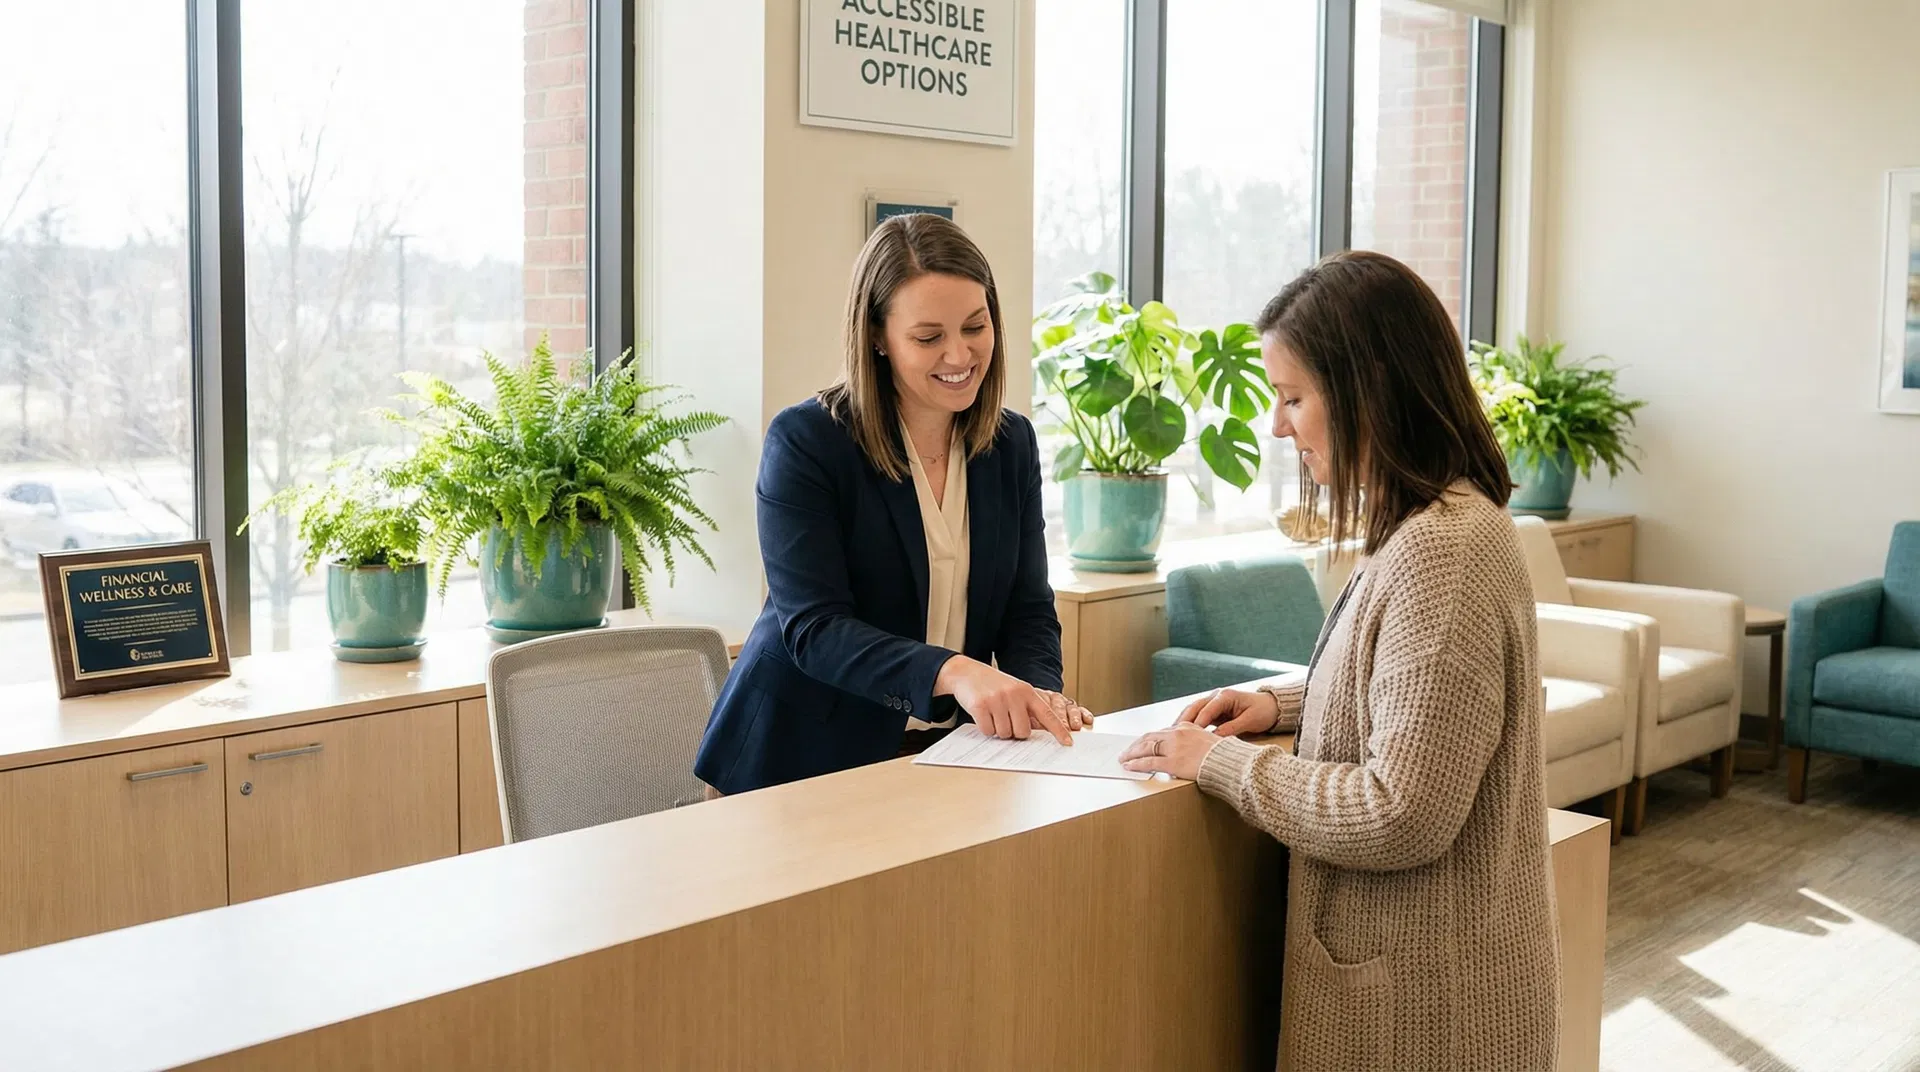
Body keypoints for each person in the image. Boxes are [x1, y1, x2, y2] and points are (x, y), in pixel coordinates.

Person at [1119, 251, 1559, 1069]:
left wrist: (1219, 765)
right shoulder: (1436, 522)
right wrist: (1281, 705)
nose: (1278, 427)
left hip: (1420, 1012)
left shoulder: (1442, 550)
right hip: (1423, 991)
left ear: (1371, 388)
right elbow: (1418, 694)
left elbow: (1400, 812)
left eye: (1293, 398)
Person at [696, 214, 1088, 796]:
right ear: (877, 336)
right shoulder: (807, 442)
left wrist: (1039, 692)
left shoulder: (1010, 443)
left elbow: (1026, 606)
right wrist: (955, 672)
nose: (960, 353)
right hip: (799, 760)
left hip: (950, 751)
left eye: (976, 327)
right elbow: (816, 628)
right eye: (928, 337)